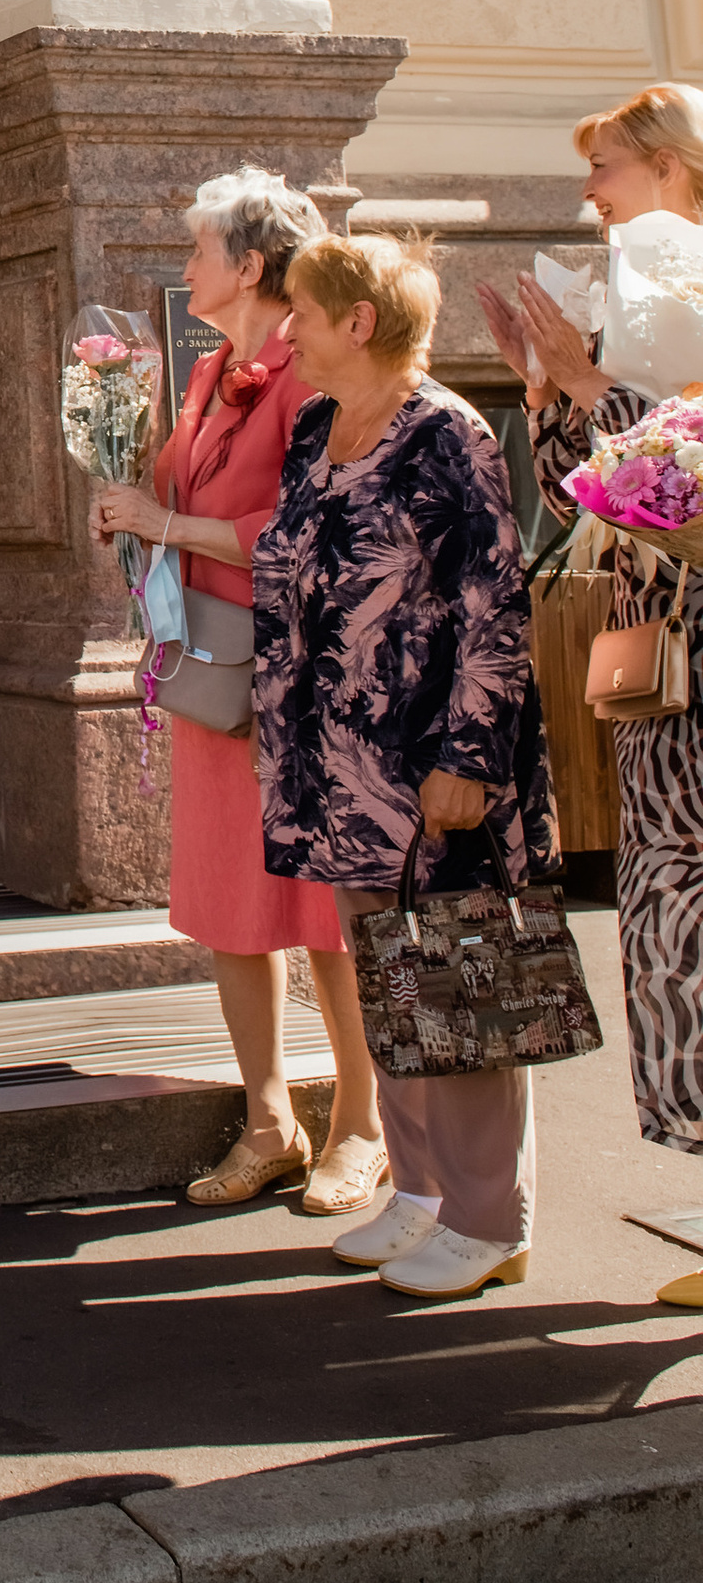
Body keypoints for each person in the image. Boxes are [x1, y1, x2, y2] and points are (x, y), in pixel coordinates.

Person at [254, 231, 559, 1302]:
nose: (283, 329)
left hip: (433, 760)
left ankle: (488, 1219)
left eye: (300, 310)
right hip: (338, 760)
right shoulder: (314, 427)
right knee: (393, 981)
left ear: (359, 321)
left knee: (456, 982)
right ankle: (423, 1195)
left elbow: (494, 602)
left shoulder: (447, 435)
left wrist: (468, 755)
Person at [89, 170, 387, 1214]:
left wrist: (165, 523)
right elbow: (185, 492)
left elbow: (304, 538)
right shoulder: (207, 369)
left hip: (299, 677)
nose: (184, 266)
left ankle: (361, 1124)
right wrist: (130, 499)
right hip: (214, 674)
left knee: (325, 910)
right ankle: (267, 1121)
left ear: (249, 263)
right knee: (230, 902)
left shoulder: (306, 376)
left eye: (198, 248)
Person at [481, 80, 703, 1308]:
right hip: (650, 659)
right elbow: (593, 500)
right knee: (668, 926)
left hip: (697, 658)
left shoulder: (692, 286)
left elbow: (681, 466)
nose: (588, 189)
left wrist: (601, 397)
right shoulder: (630, 295)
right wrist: (555, 391)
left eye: (607, 165)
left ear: (672, 163)